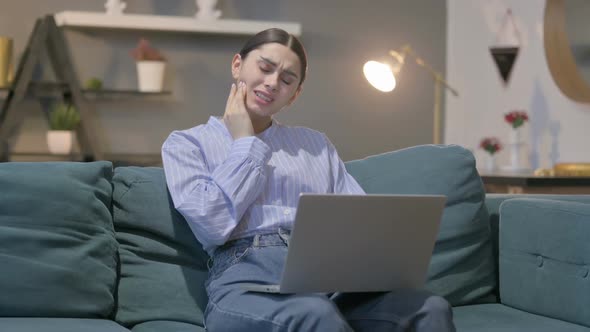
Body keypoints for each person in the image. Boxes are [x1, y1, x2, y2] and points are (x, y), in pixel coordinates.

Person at [162, 28, 455, 332]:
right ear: (237, 65)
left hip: (327, 285)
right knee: (314, 313)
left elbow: (359, 223)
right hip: (244, 282)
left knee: (429, 308)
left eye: (287, 79)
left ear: (295, 94)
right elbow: (212, 224)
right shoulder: (186, 144)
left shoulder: (316, 145)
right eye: (264, 68)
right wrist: (244, 143)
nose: (273, 83)